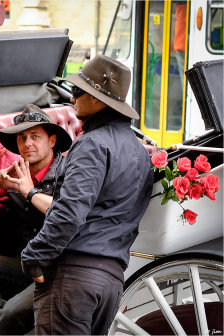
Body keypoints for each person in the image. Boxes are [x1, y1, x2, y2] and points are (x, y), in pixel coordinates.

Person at [21, 55, 154, 335]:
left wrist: (33, 256)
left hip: (74, 278)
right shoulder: (140, 152)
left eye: (78, 92)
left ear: (98, 100)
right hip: (111, 281)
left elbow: (69, 213)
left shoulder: (92, 144)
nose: (72, 99)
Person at [0, 104, 72, 335]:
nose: (27, 143)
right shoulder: (18, 169)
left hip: (59, 269)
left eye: (34, 136)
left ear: (52, 141)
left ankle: (4, 325)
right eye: (22, 138)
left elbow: (68, 211)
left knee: (10, 314)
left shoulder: (68, 172)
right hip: (24, 262)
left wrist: (30, 192)